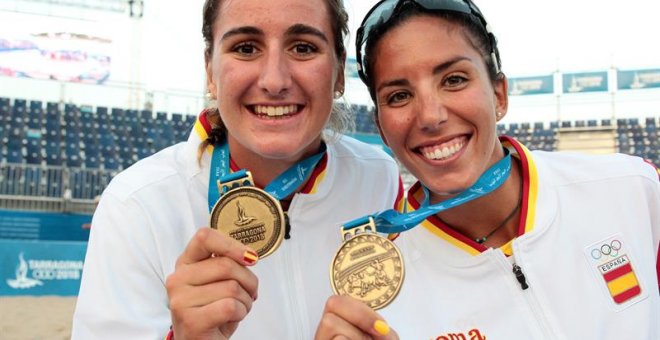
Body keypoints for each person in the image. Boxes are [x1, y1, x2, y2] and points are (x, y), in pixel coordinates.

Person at [315, 0, 660, 339]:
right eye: (399, 96)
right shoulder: (373, 287)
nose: (430, 116)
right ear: (380, 127)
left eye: (453, 80)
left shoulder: (634, 190)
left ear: (499, 94)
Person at [71, 0, 402, 338]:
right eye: (246, 48)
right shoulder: (137, 204)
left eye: (303, 48)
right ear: (210, 71)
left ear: (338, 69)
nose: (275, 81)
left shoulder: (379, 178)